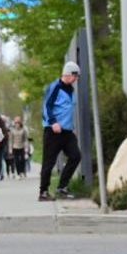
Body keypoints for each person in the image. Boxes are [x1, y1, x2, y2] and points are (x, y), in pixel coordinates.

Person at [38, 61, 82, 201]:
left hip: (67, 132)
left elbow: (67, 110)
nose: (77, 79)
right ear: (68, 74)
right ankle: (43, 192)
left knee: (75, 156)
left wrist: (72, 128)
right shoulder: (55, 87)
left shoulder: (71, 89)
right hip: (53, 131)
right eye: (76, 76)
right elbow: (47, 107)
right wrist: (53, 122)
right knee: (49, 162)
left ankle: (62, 187)